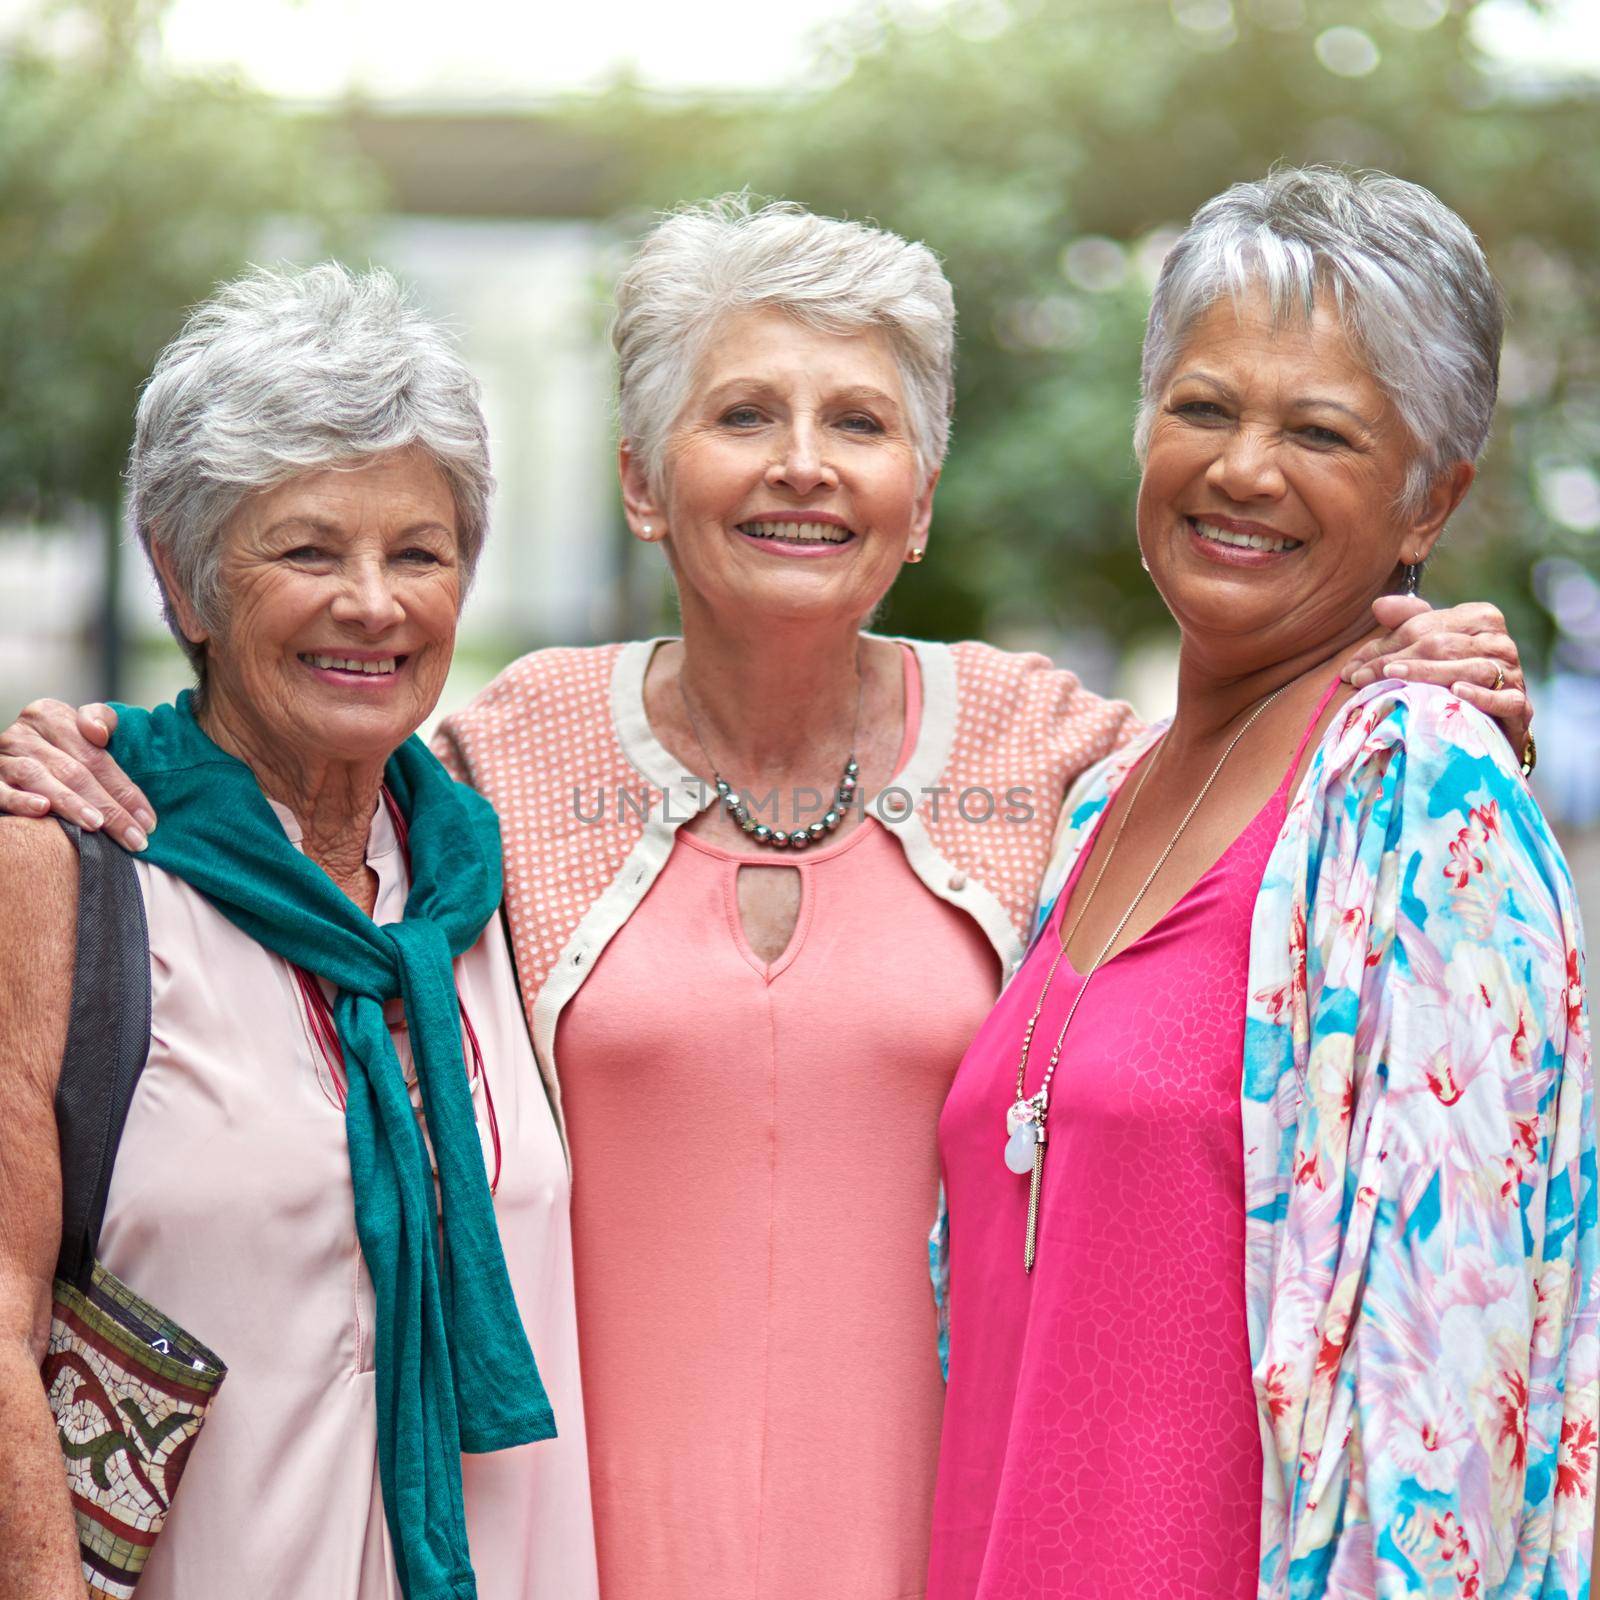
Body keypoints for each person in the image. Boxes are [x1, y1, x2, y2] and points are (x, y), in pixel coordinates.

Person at [0, 198, 1534, 1600]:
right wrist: (87, 753)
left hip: (948, 1551)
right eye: (744, 414)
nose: (802, 461)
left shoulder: (1054, 753)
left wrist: (1434, 676)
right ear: (642, 483)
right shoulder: (496, 760)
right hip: (576, 1555)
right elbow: (281, 782)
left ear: (918, 499)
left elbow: (1256, 802)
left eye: (856, 421)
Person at [928, 167, 1594, 1599]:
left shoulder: (1419, 803)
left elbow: (1451, 1423)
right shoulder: (1096, 800)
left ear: (1433, 501)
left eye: (1323, 432)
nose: (1243, 469)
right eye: (1204, 407)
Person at [0, 264, 597, 1600]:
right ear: (185, 577)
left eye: (420, 553)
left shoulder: (489, 873)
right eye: (310, 551)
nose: (374, 604)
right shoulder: (66, 860)